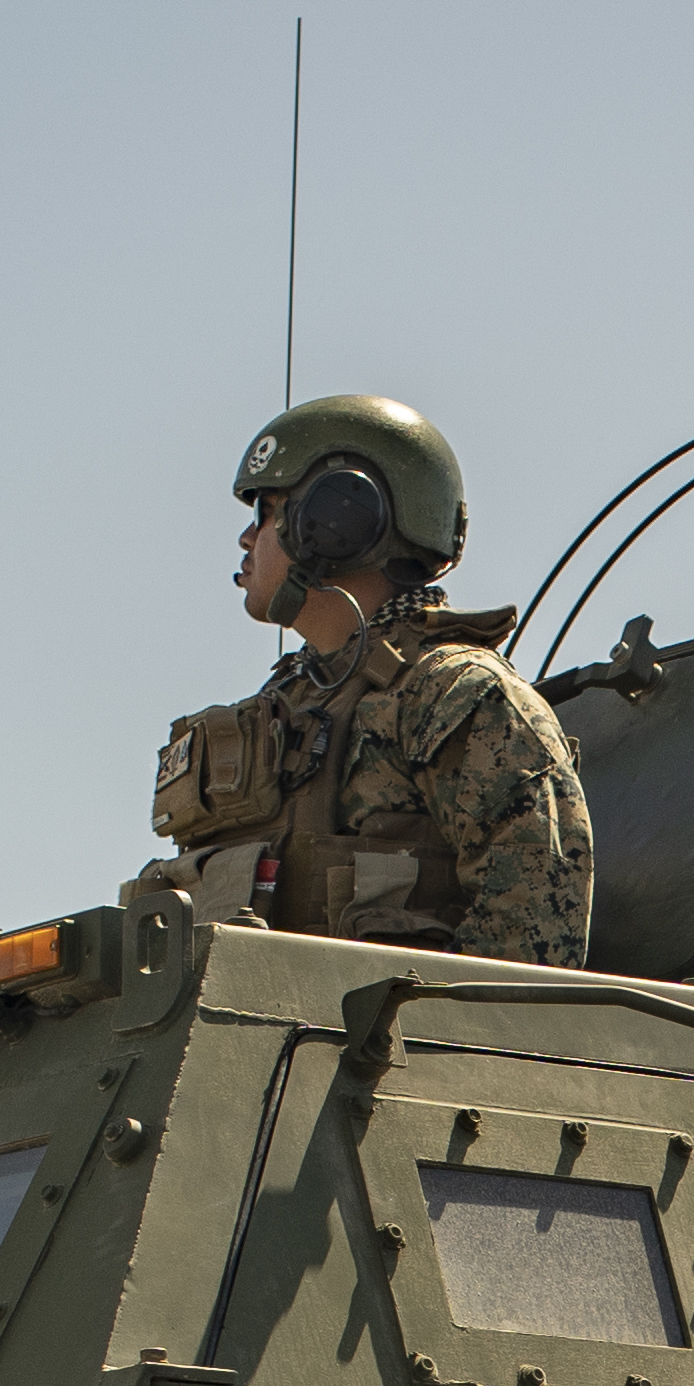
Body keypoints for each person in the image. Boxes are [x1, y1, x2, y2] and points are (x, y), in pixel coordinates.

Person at [145, 394, 596, 963]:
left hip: (389, 1048)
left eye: (263, 511)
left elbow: (532, 942)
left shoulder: (458, 695)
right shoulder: (286, 706)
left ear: (335, 522)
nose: (245, 538)